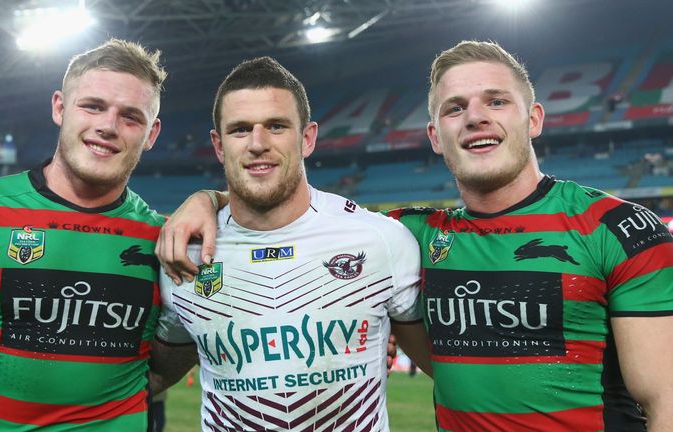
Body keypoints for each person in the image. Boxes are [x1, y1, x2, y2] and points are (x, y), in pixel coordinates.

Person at [157, 41, 673, 432]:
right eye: (454, 108)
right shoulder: (407, 234)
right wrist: (208, 199)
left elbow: (663, 399)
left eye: (496, 101)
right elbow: (284, 204)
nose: (475, 117)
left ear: (534, 119)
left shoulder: (619, 229)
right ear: (434, 135)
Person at [0, 39, 171, 431]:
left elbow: (174, 360)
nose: (107, 126)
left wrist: (210, 198)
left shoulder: (166, 239)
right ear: (60, 107)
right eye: (93, 106)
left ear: (151, 134)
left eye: (131, 117)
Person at [153, 56, 431, 431]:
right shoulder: (183, 254)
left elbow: (453, 374)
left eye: (276, 126)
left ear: (307, 138)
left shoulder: (380, 240)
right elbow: (150, 376)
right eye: (239, 130)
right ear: (218, 145)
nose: (257, 143)